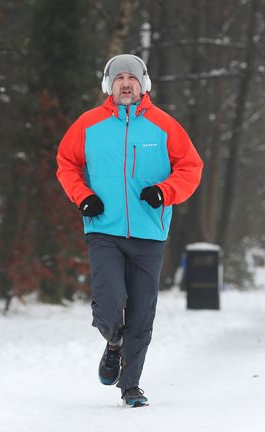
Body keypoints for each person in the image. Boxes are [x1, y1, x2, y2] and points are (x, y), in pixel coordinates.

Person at [56, 53, 203, 407]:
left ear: (143, 85)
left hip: (148, 234)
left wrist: (164, 192)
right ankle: (112, 342)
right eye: (119, 78)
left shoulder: (165, 126)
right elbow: (66, 165)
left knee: (141, 312)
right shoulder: (88, 125)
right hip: (103, 230)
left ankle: (131, 385)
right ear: (109, 85)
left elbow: (191, 168)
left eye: (132, 79)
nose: (126, 84)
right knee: (109, 303)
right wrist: (84, 197)